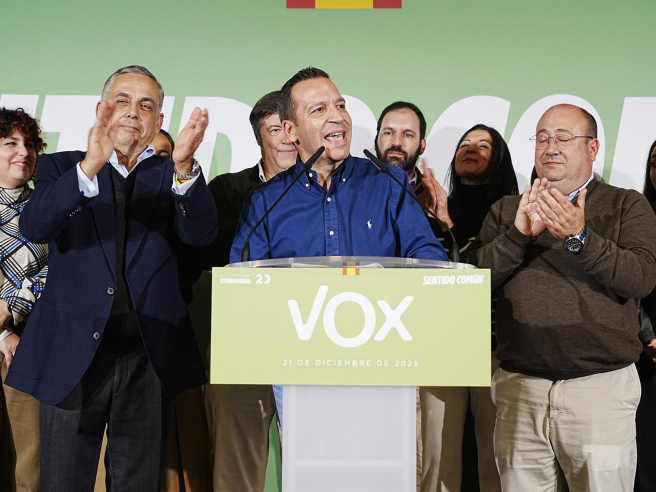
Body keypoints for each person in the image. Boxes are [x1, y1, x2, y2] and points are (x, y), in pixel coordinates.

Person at [5, 65, 217, 491]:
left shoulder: (173, 174)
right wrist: (89, 167)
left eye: (146, 106)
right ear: (101, 110)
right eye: (123, 101)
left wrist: (184, 167)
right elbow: (36, 226)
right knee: (63, 482)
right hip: (71, 355)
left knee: (138, 482)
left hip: (148, 357)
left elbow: (202, 235)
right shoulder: (61, 167)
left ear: (159, 121)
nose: (133, 112)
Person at [465, 104, 656, 491]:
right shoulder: (507, 209)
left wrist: (580, 237)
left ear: (592, 148)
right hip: (520, 388)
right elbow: (471, 283)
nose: (550, 147)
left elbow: (640, 279)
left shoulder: (627, 204)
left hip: (599, 390)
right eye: (542, 138)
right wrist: (518, 237)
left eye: (564, 138)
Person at [231, 67, 446, 263]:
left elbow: (428, 256)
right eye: (319, 110)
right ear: (291, 130)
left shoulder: (389, 183)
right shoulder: (265, 201)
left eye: (341, 106)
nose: (337, 117)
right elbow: (244, 279)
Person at [200, 90, 296, 492]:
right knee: (235, 466)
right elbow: (210, 251)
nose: (287, 138)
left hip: (308, 338)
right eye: (275, 130)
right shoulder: (228, 189)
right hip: (242, 339)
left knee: (314, 461)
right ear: (259, 137)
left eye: (291, 128)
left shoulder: (325, 192)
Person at [419, 124, 517, 492]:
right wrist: (431, 216)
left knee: (495, 455)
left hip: (494, 348)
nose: (470, 149)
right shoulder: (430, 207)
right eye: (465, 144)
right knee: (436, 455)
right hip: (441, 346)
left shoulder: (513, 212)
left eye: (483, 145)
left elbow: (479, 271)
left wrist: (447, 223)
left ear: (499, 158)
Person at [0, 108, 48, 492]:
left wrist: (11, 307)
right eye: (10, 143)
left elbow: (59, 270)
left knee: (25, 462)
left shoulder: (48, 205)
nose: (23, 152)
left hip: (29, 344)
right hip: (6, 339)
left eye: (29, 144)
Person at [634, 139, 656, 492]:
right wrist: (648, 336)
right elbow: (629, 289)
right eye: (655, 161)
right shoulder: (639, 220)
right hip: (649, 353)